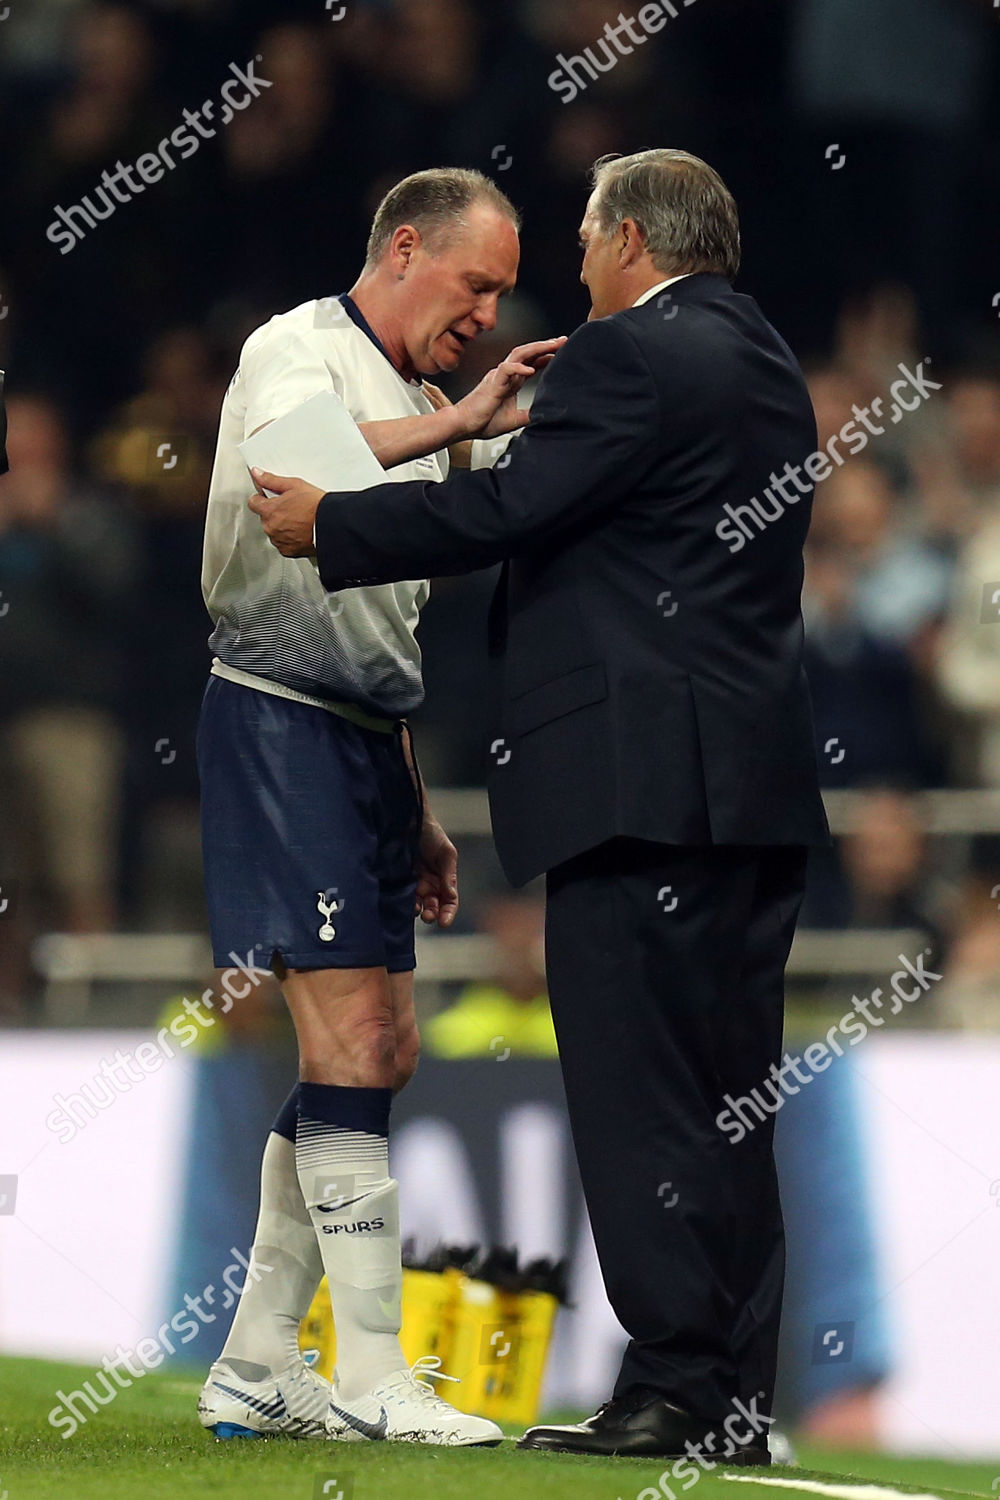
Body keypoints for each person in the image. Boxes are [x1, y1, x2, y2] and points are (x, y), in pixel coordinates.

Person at [249, 148, 830, 1461]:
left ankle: (673, 1391)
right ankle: (728, 1395)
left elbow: (516, 509)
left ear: (629, 235)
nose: (575, 264)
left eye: (581, 236)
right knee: (728, 1097)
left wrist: (338, 525)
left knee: (640, 1097)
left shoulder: (627, 354)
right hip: (751, 791)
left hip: (636, 790)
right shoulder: (769, 363)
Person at [195, 165, 564, 1447]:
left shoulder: (413, 397)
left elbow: (386, 623)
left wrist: (413, 804)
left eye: (504, 292)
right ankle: (370, 1375)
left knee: (382, 1055)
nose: (486, 311)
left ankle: (253, 1365)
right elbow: (296, 475)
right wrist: (460, 423)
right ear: (403, 248)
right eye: (477, 283)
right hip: (276, 715)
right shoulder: (295, 348)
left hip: (361, 739)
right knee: (350, 1048)